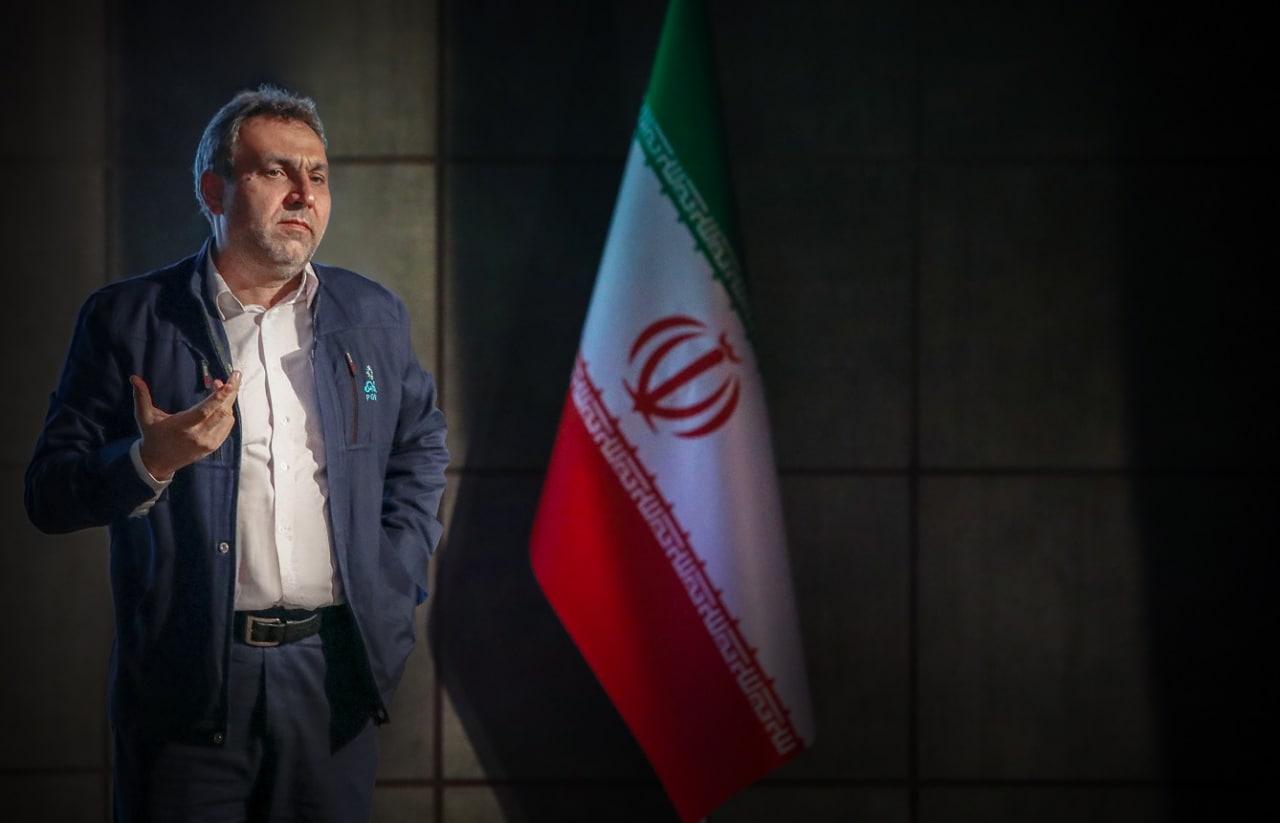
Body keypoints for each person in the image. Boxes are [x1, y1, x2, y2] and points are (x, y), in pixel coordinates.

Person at [24, 85, 449, 822]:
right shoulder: (128, 319)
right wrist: (149, 462)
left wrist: (393, 574)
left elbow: (420, 446)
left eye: (318, 176)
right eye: (276, 171)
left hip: (332, 676)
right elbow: (48, 493)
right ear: (213, 190)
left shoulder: (372, 314)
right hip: (188, 683)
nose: (303, 194)